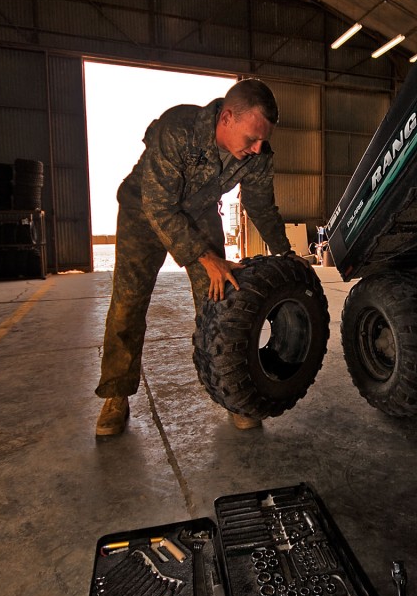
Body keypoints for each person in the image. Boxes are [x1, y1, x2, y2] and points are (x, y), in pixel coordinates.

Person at [95, 78, 294, 437]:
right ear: (227, 118)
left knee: (218, 300)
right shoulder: (179, 129)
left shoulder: (258, 154)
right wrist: (206, 257)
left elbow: (260, 206)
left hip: (198, 214)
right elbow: (159, 205)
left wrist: (286, 252)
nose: (258, 147)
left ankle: (230, 393)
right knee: (128, 304)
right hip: (143, 214)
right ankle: (115, 394)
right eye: (252, 137)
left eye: (264, 139)